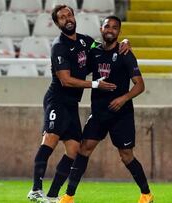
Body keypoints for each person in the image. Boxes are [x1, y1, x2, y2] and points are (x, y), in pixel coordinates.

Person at [27, 5, 132, 203]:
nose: (67, 19)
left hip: (72, 103)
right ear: (57, 23)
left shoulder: (85, 41)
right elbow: (65, 80)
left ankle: (51, 195)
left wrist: (124, 41)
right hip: (57, 100)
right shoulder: (59, 46)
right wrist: (95, 84)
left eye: (69, 15)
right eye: (61, 17)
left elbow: (105, 47)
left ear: (74, 17)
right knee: (50, 138)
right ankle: (35, 190)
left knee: (74, 150)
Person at [59, 16, 154, 203]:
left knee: (126, 156)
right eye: (107, 26)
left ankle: (146, 194)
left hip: (121, 114)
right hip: (99, 113)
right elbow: (78, 65)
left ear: (119, 32)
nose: (110, 30)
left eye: (115, 28)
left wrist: (123, 98)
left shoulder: (125, 54)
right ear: (101, 29)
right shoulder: (94, 51)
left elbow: (140, 85)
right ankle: (69, 196)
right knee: (84, 149)